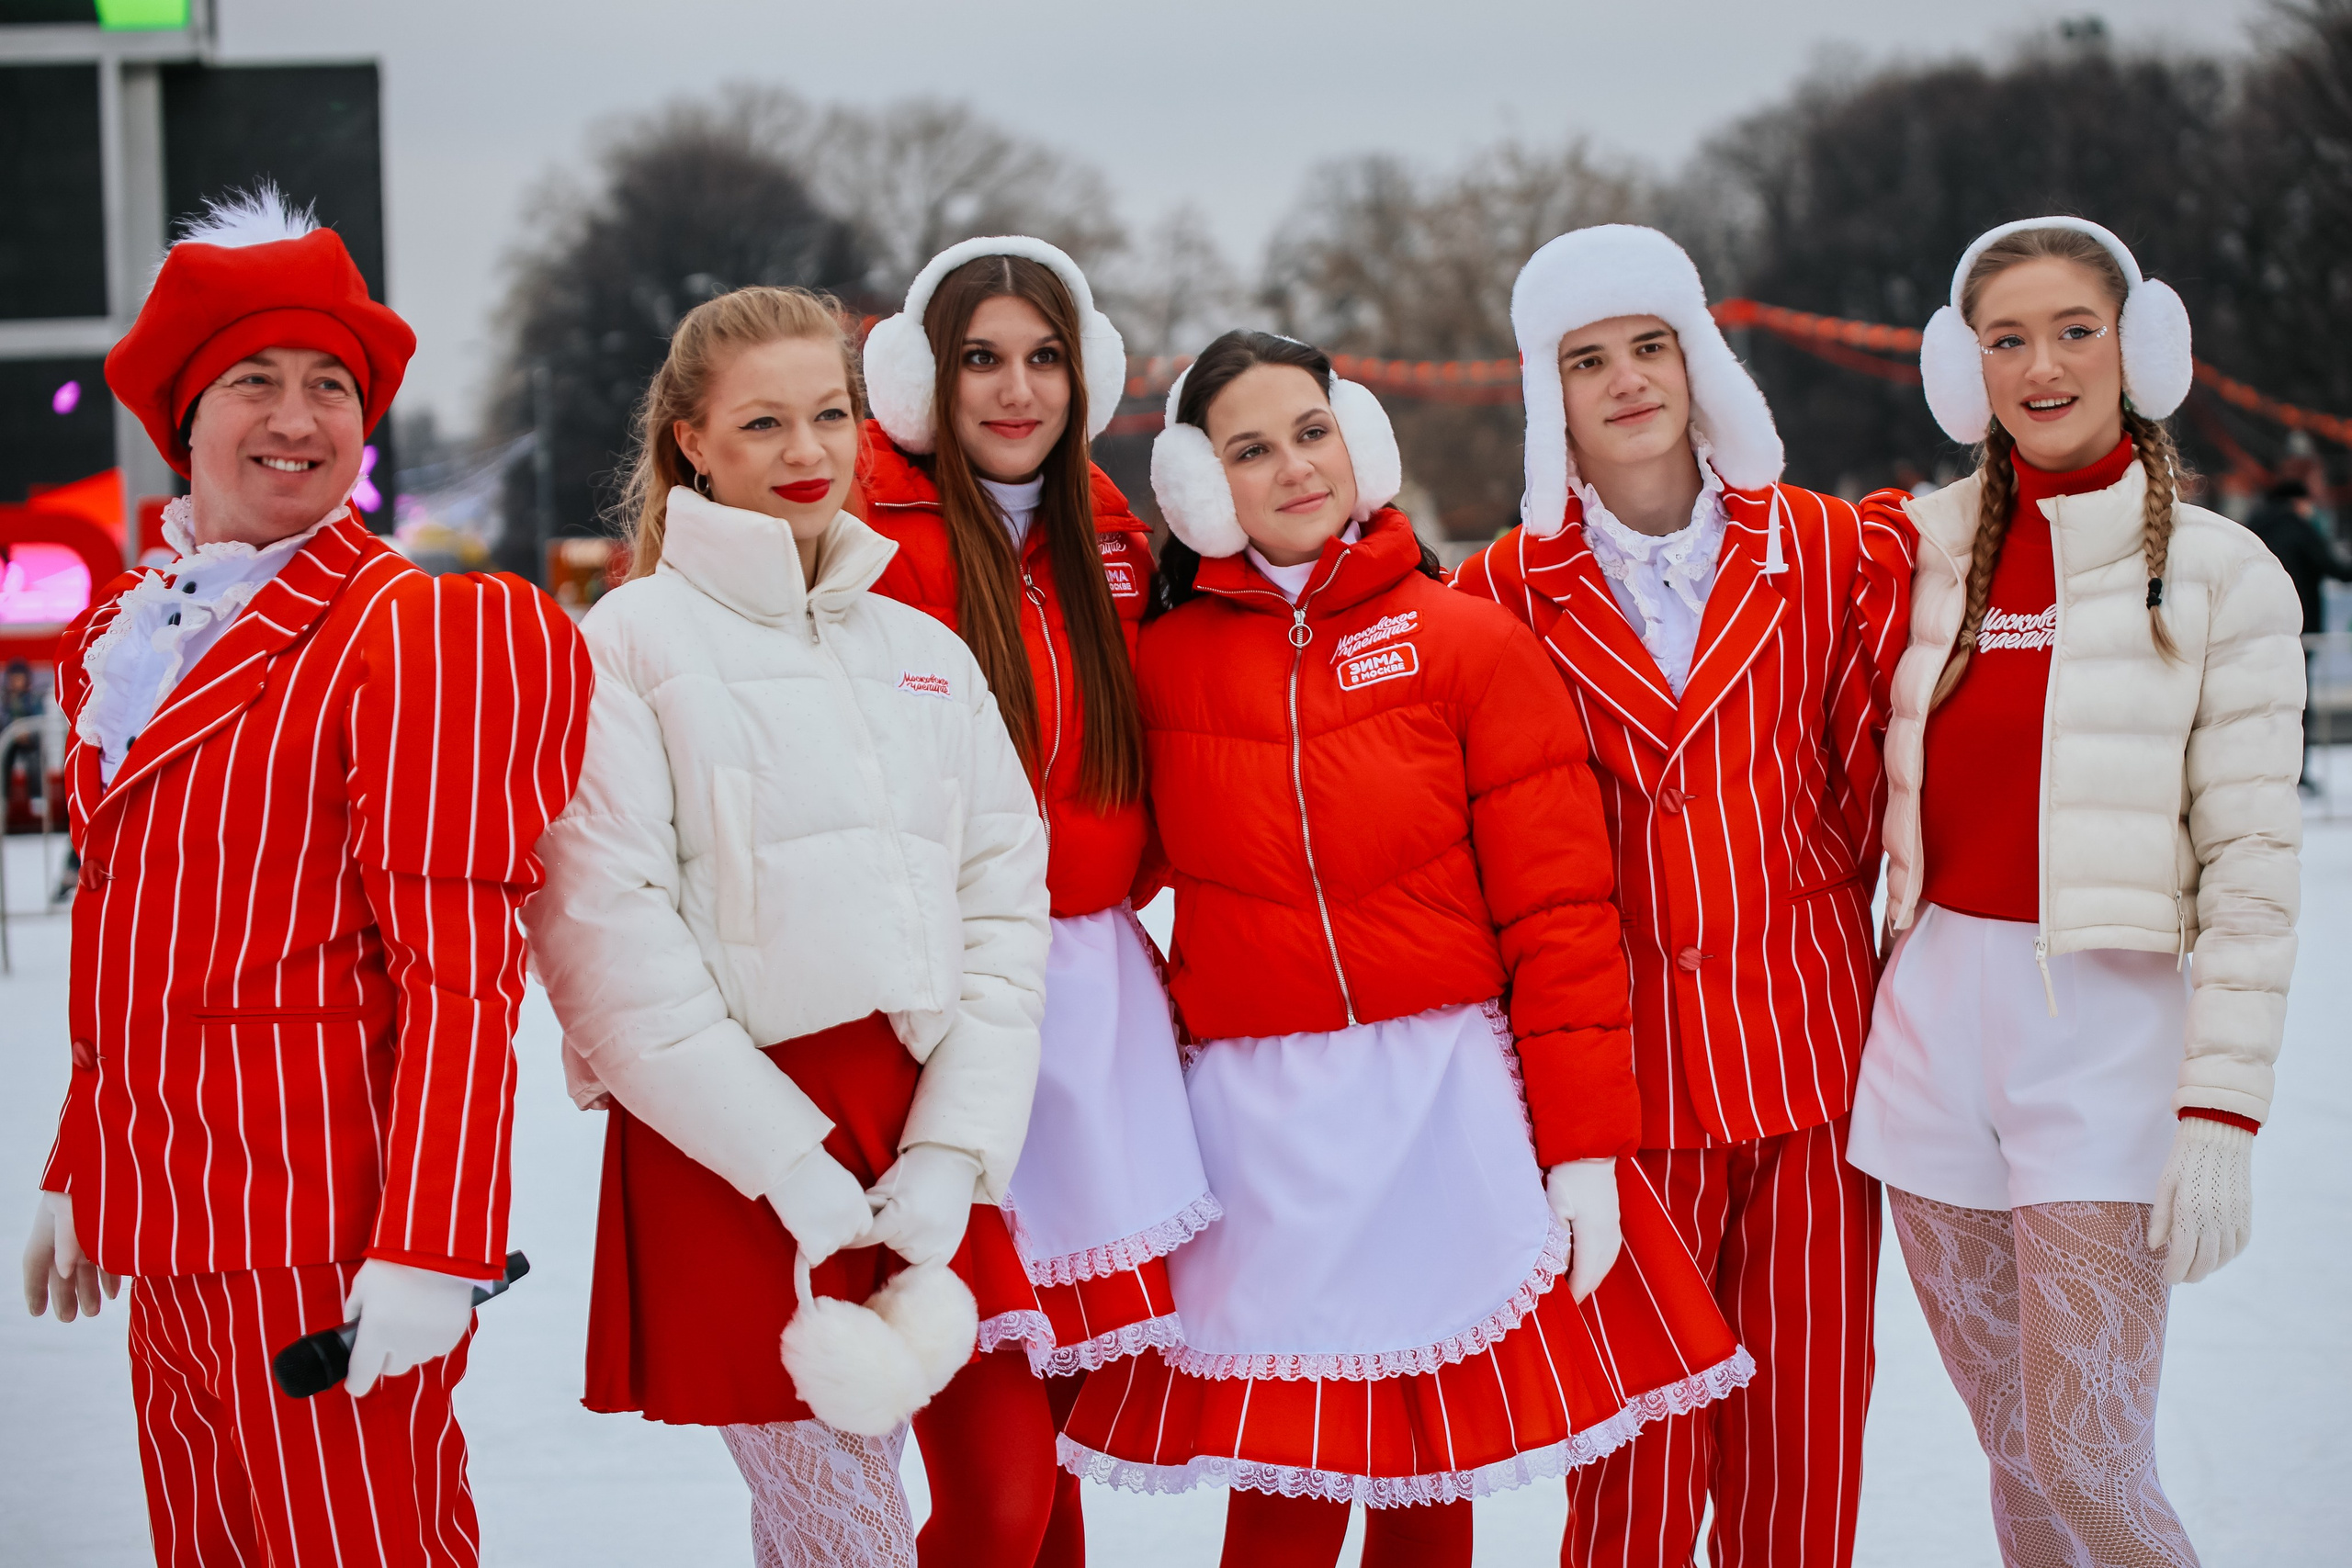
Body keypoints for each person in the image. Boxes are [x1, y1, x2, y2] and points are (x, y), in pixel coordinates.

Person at [1059, 330, 1749, 1568]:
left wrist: (1586, 1142)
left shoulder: (1466, 641)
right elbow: (1093, 886)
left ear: (1361, 441)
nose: (1293, 468)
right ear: (1200, 486)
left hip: (1445, 1106)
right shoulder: (1157, 667)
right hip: (1259, 1127)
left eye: (1312, 431)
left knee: (1433, 1482)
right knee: (1280, 1492)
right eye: (1250, 448)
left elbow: (1560, 908)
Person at [17, 186, 590, 1567]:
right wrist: (85, 1156)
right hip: (171, 1223)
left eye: (331, 385)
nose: (299, 417)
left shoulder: (420, 631)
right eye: (256, 382)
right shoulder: (128, 641)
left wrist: (436, 1241)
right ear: (185, 422)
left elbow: (459, 969)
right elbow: (133, 924)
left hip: (326, 1240)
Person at [520, 284, 1052, 1568]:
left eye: (831, 415)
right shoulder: (629, 641)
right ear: (692, 440)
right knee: (847, 1540)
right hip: (735, 1144)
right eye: (764, 423)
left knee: (1009, 1494)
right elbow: (605, 934)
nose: (809, 452)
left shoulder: (923, 647)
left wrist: (954, 1149)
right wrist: (786, 1162)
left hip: (923, 1122)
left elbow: (1002, 899)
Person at [1452, 224, 1915, 1568]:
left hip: (1816, 1067)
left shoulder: (1831, 550)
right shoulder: (1496, 591)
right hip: (1623, 1094)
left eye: (1648, 344)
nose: (1626, 380)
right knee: (1636, 1470)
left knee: (1807, 1449)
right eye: (1587, 359)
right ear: (1551, 391)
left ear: (1697, 357)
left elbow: (1903, 772)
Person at [1849, 218, 2303, 1568]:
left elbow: (2253, 864)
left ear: (2138, 345)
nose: (2042, 364)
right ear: (1961, 368)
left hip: (2107, 1047)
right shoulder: (1909, 549)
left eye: (2074, 329)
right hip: (1933, 1036)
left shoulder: (2225, 572)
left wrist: (2221, 1106)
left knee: (2089, 1457)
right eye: (2006, 338)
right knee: (2016, 1451)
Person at [856, 237, 1216, 1565]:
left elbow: (1174, 764)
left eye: (1046, 356)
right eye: (982, 358)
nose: (1018, 390)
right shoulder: (865, 543)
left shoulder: (1119, 541)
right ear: (925, 380)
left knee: (1054, 1477)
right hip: (939, 1032)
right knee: (997, 1496)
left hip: (1099, 1028)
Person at [2240, 475, 2351, 788]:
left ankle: (2258, 769)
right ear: (2298, 501)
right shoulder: (2299, 528)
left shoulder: (2251, 527)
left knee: (2257, 703)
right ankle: (2294, 771)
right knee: (2297, 704)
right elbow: (2336, 569)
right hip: (2298, 632)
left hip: (2251, 630)